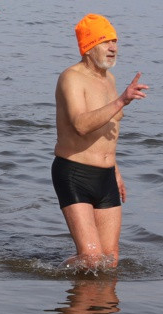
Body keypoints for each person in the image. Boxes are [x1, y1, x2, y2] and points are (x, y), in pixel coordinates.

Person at [53, 14, 147, 269]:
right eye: (106, 42)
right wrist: (121, 101)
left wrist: (115, 169)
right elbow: (81, 125)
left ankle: (100, 309)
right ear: (89, 46)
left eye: (115, 41)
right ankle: (51, 274)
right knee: (92, 258)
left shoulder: (110, 80)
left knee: (111, 259)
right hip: (74, 172)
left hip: (105, 177)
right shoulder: (71, 77)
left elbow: (110, 129)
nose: (114, 48)